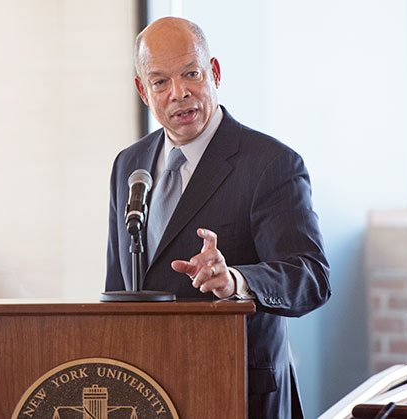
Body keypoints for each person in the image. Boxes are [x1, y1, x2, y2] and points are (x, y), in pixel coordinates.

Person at [105, 16, 331, 418]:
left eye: (191, 74)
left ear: (215, 72)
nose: (179, 93)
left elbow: (310, 278)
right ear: (143, 91)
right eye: (160, 81)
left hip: (238, 393)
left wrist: (236, 282)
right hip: (148, 394)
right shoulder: (129, 165)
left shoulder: (270, 163)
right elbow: (117, 286)